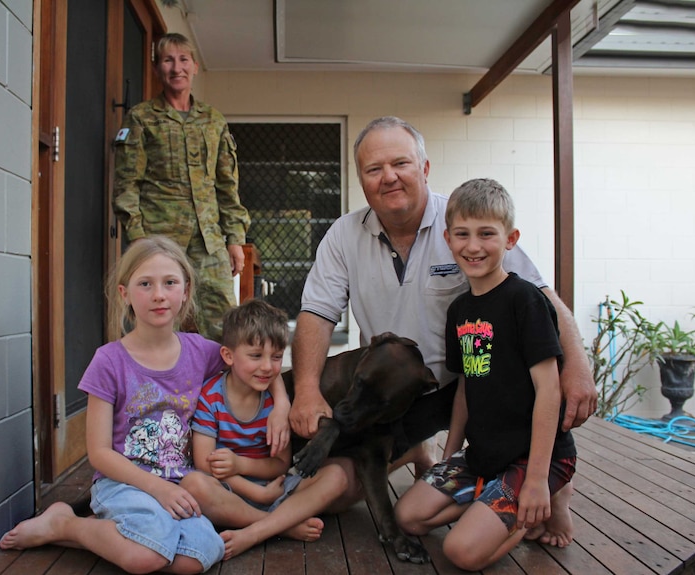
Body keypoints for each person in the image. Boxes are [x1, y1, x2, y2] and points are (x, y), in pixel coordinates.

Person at [288, 116, 595, 507]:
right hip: (385, 391)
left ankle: (545, 477)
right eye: (374, 169)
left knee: (346, 490)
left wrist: (578, 365)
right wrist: (308, 391)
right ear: (361, 179)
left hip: (456, 388)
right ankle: (417, 450)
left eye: (401, 164)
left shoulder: (465, 225)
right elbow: (316, 312)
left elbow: (540, 295)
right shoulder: (344, 235)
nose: (389, 177)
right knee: (329, 491)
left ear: (425, 168)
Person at [0, 236, 288, 574]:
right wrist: (157, 488)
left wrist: (281, 402)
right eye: (145, 284)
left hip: (179, 482)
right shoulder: (108, 361)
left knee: (198, 556)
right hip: (124, 483)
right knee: (147, 556)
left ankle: (100, 533)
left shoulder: (201, 351)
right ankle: (66, 524)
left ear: (185, 290)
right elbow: (100, 453)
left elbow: (254, 362)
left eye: (169, 283)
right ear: (125, 294)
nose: (159, 295)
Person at [394, 178, 576, 570]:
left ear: (510, 239)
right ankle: (491, 508)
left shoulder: (525, 300)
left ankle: (536, 508)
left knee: (460, 552)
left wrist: (536, 480)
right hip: (484, 455)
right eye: (462, 234)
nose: (473, 246)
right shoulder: (460, 310)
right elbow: (465, 387)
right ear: (448, 238)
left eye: (486, 234)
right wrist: (447, 456)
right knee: (408, 516)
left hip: (534, 459)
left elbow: (549, 391)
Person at [182, 299, 348, 560]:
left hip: (275, 488)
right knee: (193, 484)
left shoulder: (273, 404)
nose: (268, 367)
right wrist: (253, 490)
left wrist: (241, 464)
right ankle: (280, 525)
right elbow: (204, 464)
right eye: (256, 356)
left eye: (277, 357)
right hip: (227, 490)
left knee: (337, 475)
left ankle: (254, 530)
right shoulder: (211, 397)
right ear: (228, 356)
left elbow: (281, 464)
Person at [113, 32, 249, 342]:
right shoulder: (142, 118)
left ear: (195, 67)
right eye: (167, 60)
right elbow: (127, 186)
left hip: (209, 240)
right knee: (158, 321)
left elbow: (227, 185)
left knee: (226, 324)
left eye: (183, 59)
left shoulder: (213, 121)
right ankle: (161, 389)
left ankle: (224, 389)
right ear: (157, 68)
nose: (177, 68)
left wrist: (235, 239)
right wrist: (138, 240)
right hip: (160, 240)